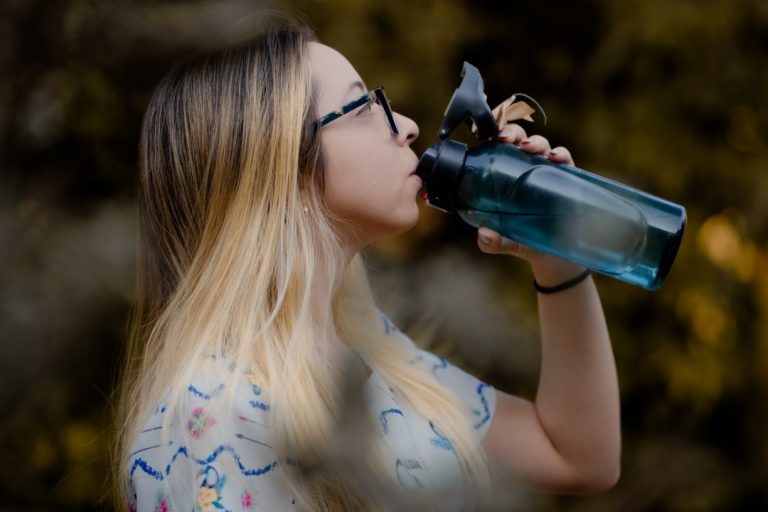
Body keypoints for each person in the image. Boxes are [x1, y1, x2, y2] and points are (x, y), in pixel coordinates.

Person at [113, 19, 620, 512]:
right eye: (363, 106)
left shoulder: (374, 356)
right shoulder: (218, 413)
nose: (408, 127)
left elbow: (577, 457)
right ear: (281, 167)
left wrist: (555, 259)